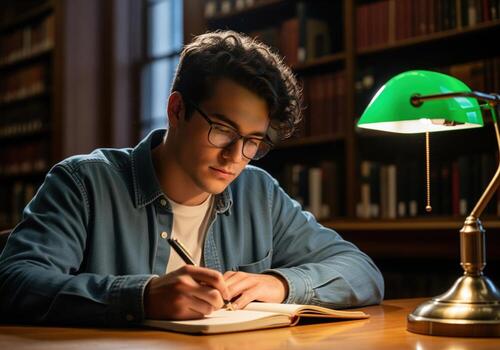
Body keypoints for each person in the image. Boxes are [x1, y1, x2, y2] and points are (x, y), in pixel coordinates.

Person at [0, 30, 383, 326]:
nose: (235, 157)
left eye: (253, 141)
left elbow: (361, 272)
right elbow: (14, 282)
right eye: (221, 129)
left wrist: (281, 285)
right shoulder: (83, 184)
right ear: (177, 109)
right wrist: (142, 297)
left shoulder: (259, 192)